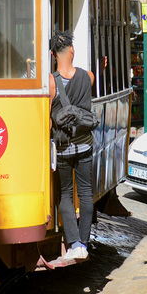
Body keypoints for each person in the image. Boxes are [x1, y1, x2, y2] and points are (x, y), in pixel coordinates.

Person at [49, 30, 95, 261]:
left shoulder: (51, 81)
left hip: (63, 147)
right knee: (86, 193)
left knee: (65, 194)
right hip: (85, 145)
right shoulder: (89, 76)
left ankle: (74, 243)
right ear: (72, 50)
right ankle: (84, 244)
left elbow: (48, 117)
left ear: (52, 54)